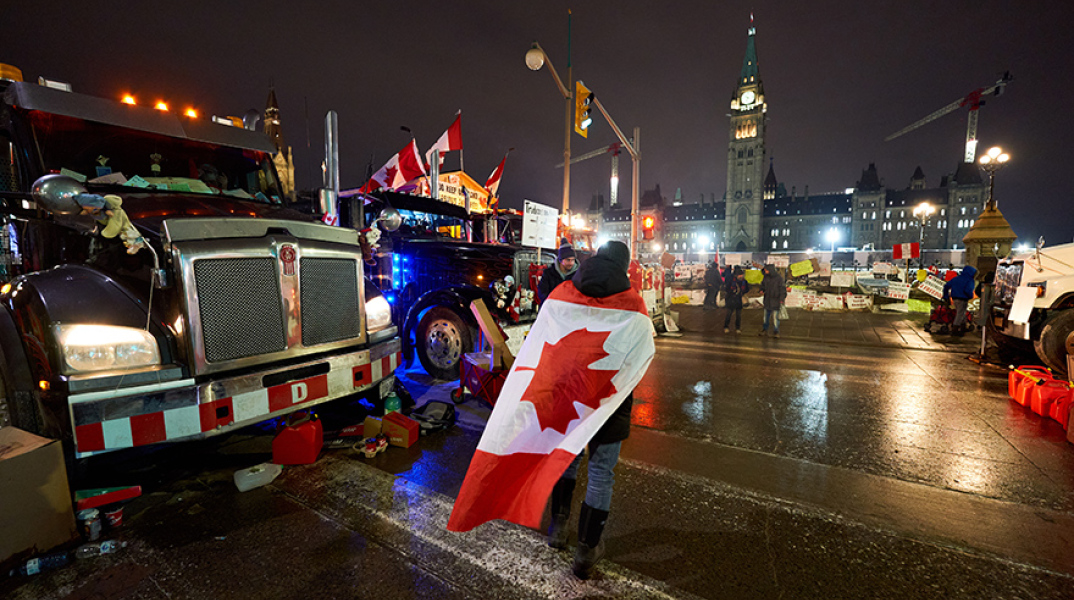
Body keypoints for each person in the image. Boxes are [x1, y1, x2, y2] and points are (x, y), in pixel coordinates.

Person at [545, 240, 647, 580]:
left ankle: (557, 529)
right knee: (602, 472)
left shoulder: (568, 290)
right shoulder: (633, 302)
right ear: (624, 266)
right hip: (610, 401)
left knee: (567, 458)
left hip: (571, 395)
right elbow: (641, 353)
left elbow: (549, 334)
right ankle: (587, 550)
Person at [537, 238, 578, 305]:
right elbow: (542, 292)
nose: (571, 263)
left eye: (573, 260)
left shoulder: (577, 275)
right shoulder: (549, 273)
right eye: (568, 260)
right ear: (560, 260)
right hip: (551, 309)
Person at [942, 264, 977, 336]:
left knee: (961, 312)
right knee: (960, 313)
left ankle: (963, 327)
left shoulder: (956, 278)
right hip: (963, 298)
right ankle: (955, 329)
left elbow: (946, 286)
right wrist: (970, 296)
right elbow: (968, 290)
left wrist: (946, 296)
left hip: (955, 298)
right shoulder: (970, 280)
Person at [758, 264, 787, 337]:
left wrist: (781, 299)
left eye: (766, 270)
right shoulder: (766, 277)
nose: (765, 271)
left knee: (775, 318)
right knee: (766, 317)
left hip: (775, 300)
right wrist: (761, 290)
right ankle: (765, 329)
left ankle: (776, 331)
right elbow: (763, 285)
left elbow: (782, 289)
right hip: (767, 300)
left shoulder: (779, 278)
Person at [722, 266, 749, 334]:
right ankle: (726, 327)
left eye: (742, 275)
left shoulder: (744, 281)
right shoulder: (731, 280)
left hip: (738, 299)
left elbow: (747, 289)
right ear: (736, 275)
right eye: (740, 275)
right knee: (729, 314)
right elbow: (726, 288)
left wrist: (743, 291)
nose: (741, 276)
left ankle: (737, 328)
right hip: (731, 299)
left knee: (738, 315)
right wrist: (732, 291)